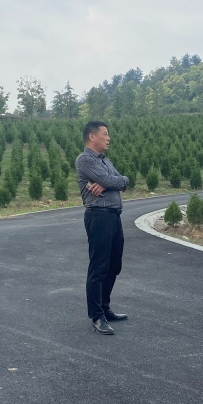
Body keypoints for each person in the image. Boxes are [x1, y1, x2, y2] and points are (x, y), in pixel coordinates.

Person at [76, 121, 130, 335]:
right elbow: (111, 179)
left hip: (114, 216)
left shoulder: (104, 160)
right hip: (98, 216)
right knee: (99, 266)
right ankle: (96, 315)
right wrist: (111, 181)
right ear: (92, 136)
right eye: (105, 134)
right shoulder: (85, 160)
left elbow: (124, 181)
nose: (108, 138)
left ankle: (105, 308)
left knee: (114, 265)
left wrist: (110, 182)